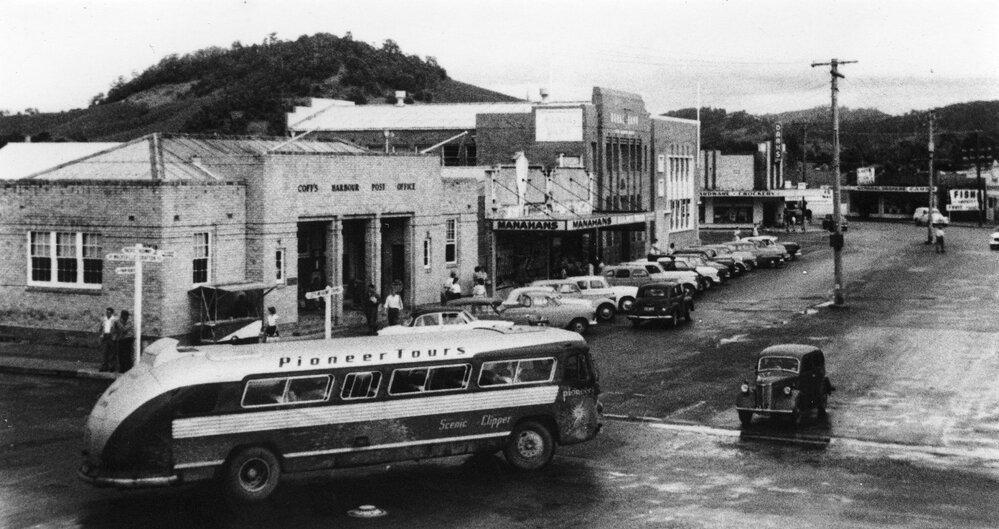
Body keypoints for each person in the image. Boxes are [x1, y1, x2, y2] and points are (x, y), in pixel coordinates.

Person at [97, 307, 116, 372]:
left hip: (111, 336)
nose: (107, 314)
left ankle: (111, 367)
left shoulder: (114, 320)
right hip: (105, 336)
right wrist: (101, 335)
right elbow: (100, 328)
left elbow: (117, 329)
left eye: (109, 313)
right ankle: (104, 367)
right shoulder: (103, 319)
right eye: (106, 312)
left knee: (111, 353)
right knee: (104, 352)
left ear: (112, 313)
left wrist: (114, 335)